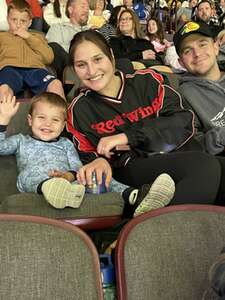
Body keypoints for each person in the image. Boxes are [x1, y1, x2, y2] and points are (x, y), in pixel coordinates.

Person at [66, 29, 222, 206]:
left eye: (97, 59)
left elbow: (183, 121)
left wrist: (128, 137)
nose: (92, 70)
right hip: (136, 168)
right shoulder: (79, 109)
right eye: (81, 65)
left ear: (110, 55)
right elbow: (91, 157)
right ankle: (156, 228)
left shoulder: (148, 81)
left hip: (182, 153)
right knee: (203, 166)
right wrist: (99, 160)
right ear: (74, 69)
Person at [0, 91, 176, 217]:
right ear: (30, 120)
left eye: (55, 120)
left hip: (68, 182)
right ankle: (53, 190)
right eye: (41, 118)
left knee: (92, 174)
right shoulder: (21, 140)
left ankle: (136, 196)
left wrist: (68, 176)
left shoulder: (65, 143)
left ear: (62, 126)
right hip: (34, 181)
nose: (48, 124)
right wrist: (3, 121)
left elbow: (78, 167)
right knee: (31, 174)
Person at [174, 21, 225, 156]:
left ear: (215, 47)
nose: (197, 53)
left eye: (202, 44)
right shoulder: (183, 96)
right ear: (181, 62)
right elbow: (192, 145)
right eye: (187, 50)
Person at [0, 0, 65, 100]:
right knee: (4, 89)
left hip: (35, 69)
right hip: (10, 68)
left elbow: (49, 58)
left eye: (23, 21)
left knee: (56, 84)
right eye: (14, 20)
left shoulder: (38, 36)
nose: (18, 25)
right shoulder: (2, 36)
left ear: (30, 22)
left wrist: (29, 37)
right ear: (8, 19)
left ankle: (62, 115)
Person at [46, 0, 89, 79]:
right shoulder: (57, 28)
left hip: (89, 65)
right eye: (83, 6)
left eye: (87, 8)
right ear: (70, 10)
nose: (86, 10)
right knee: (54, 47)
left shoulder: (92, 31)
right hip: (68, 67)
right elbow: (54, 50)